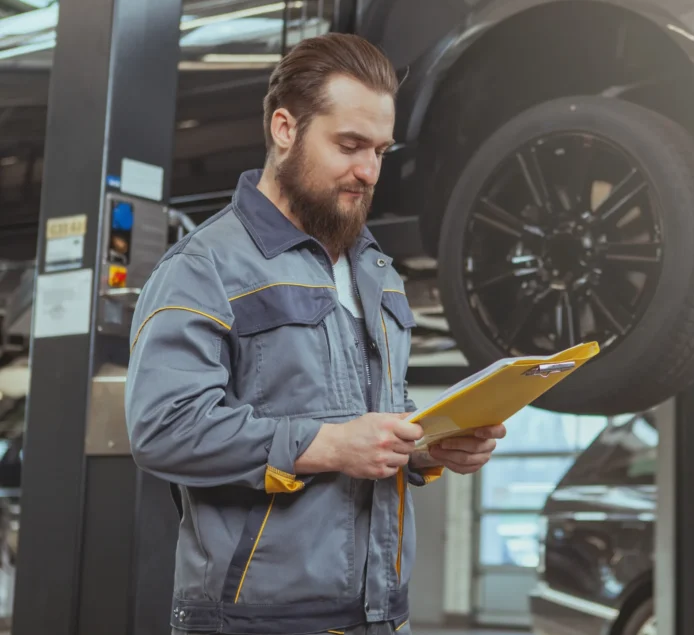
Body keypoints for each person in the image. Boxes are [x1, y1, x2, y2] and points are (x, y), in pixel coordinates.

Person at [125, 33, 505, 635]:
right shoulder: (204, 268)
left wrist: (430, 446)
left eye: (380, 149)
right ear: (284, 128)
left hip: (381, 615)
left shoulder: (374, 270)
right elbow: (163, 428)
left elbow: (370, 415)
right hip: (253, 620)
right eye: (350, 145)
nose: (368, 170)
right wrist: (327, 446)